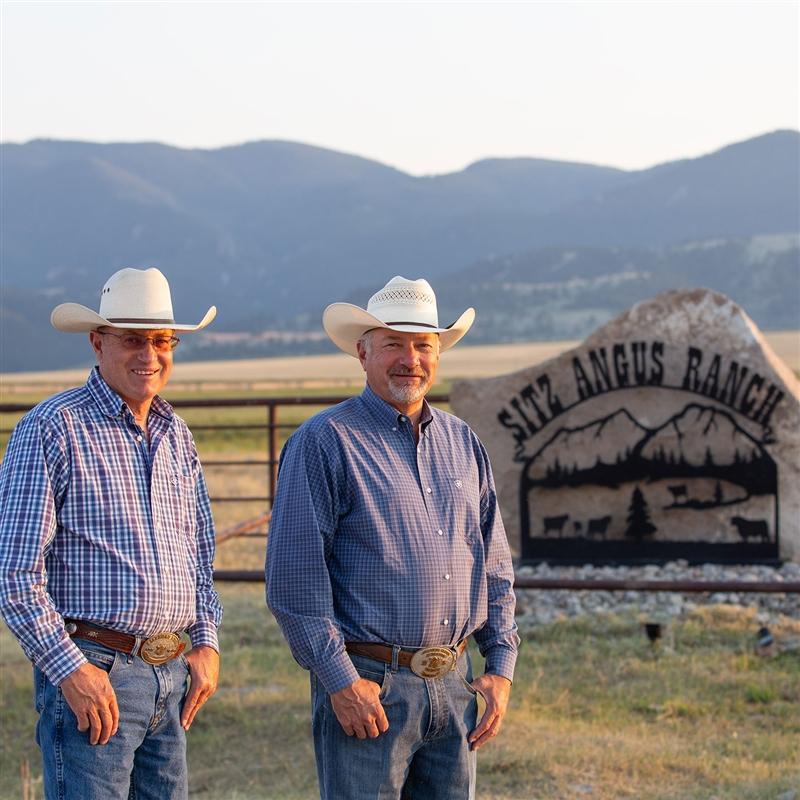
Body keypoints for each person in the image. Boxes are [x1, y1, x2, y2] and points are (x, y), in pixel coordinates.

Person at [266, 275, 519, 799]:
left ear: (438, 353)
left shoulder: (462, 441)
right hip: (370, 687)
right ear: (362, 353)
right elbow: (295, 581)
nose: (411, 359)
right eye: (393, 345)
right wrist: (340, 681)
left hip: (455, 682)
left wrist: (500, 665)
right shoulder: (324, 442)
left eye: (423, 345)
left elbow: (493, 564)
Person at [0, 267, 223, 800]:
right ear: (98, 342)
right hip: (93, 669)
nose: (149, 354)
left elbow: (198, 555)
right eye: (132, 340)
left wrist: (208, 642)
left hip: (167, 676)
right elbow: (14, 574)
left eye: (161, 340)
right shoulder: (52, 427)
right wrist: (70, 672)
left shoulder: (176, 434)